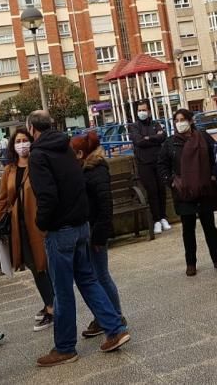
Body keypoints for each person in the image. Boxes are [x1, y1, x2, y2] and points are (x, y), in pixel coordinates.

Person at [27, 110, 131, 367]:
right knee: (88, 280)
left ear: (31, 129)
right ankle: (114, 328)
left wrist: (42, 223)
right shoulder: (65, 147)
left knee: (62, 292)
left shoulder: (39, 155)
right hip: (81, 225)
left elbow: (47, 196)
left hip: (60, 230)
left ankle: (64, 348)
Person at [0, 128, 54, 332]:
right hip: (18, 226)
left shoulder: (38, 163)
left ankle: (51, 307)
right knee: (34, 265)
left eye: (25, 140)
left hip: (38, 223)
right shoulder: (9, 170)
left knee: (42, 265)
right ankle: (50, 302)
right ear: (12, 146)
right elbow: (3, 198)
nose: (22, 144)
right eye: (18, 141)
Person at [70, 132, 126, 339]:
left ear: (81, 153)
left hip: (95, 233)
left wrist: (98, 236)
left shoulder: (95, 170)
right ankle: (105, 316)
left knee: (100, 275)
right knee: (96, 275)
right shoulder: (86, 169)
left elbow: (104, 206)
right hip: (90, 230)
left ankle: (115, 316)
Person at [158, 108, 217, 277]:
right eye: (176, 120)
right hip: (184, 193)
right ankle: (191, 263)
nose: (179, 123)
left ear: (190, 120)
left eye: (182, 119)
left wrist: (213, 175)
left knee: (209, 227)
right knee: (188, 230)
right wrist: (172, 182)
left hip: (204, 189)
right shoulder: (170, 143)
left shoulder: (203, 137)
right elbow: (162, 165)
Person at [128, 101, 169, 234]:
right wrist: (153, 138)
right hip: (144, 163)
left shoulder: (155, 124)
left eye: (144, 109)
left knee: (161, 190)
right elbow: (138, 141)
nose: (142, 112)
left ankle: (163, 217)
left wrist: (148, 138)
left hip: (158, 161)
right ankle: (156, 220)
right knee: (151, 191)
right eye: (139, 110)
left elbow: (163, 136)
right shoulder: (134, 126)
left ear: (149, 110)